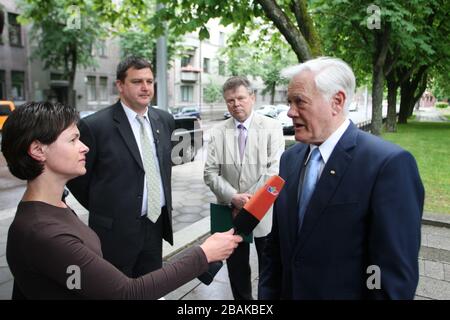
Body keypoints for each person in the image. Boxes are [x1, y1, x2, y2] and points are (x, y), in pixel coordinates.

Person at [2, 101, 242, 299]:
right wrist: (204, 254)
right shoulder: (43, 233)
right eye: (73, 139)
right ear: (38, 150)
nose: (85, 147)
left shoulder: (54, 207)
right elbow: (126, 293)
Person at [258, 57, 424, 300]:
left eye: (300, 102)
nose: (290, 112)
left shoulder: (388, 165)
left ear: (337, 101)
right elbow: (277, 247)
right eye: (289, 102)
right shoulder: (289, 159)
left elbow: (391, 278)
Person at [67, 56, 174, 278]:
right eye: (137, 82)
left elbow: (164, 169)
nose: (145, 88)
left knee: (150, 286)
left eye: (149, 81)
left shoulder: (164, 120)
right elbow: (78, 178)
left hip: (155, 224)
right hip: (114, 233)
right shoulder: (95, 126)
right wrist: (106, 209)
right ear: (120, 85)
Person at [204, 76, 285, 300]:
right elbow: (210, 172)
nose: (236, 104)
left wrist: (249, 204)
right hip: (231, 212)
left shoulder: (272, 127)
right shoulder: (218, 131)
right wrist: (233, 197)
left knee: (269, 270)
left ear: (252, 98)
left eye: (240, 98)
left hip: (264, 215)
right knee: (237, 272)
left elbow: (274, 171)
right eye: (230, 100)